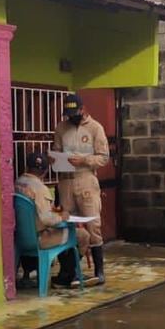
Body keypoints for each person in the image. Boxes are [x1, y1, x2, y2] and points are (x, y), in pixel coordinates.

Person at [52, 94, 109, 285]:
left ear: (82, 109)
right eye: (68, 114)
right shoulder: (61, 128)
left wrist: (84, 160)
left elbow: (103, 157)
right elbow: (56, 150)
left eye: (74, 112)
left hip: (86, 179)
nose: (71, 117)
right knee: (67, 227)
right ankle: (71, 272)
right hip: (66, 180)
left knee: (93, 225)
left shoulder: (95, 128)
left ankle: (99, 272)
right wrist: (56, 158)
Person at [16, 151, 88, 288]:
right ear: (44, 172)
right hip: (39, 239)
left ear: (27, 167)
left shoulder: (18, 182)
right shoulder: (40, 189)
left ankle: (28, 273)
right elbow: (46, 219)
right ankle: (66, 275)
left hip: (20, 238)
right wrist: (62, 216)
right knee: (82, 235)